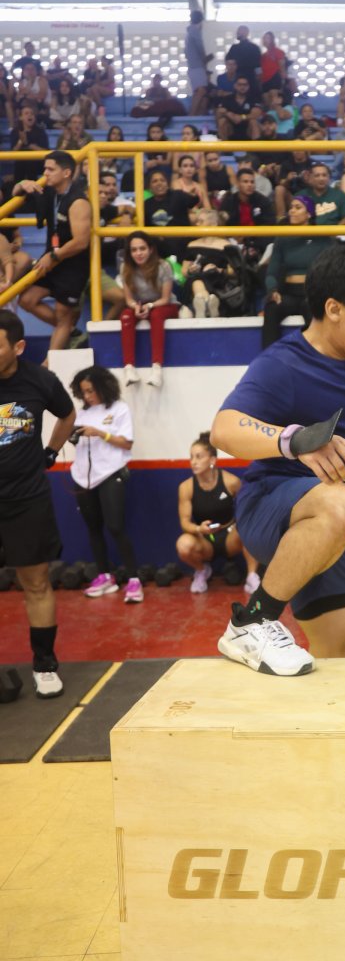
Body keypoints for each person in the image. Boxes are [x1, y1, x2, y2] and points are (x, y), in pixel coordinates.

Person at [209, 244, 345, 677]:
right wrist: (297, 441)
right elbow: (222, 430)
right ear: (334, 309)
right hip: (270, 506)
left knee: (333, 658)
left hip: (328, 522)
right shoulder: (282, 364)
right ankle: (251, 622)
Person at [0, 309, 76, 697]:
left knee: (36, 582)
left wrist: (50, 452)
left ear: (18, 347)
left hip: (26, 500)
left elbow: (67, 414)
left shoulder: (40, 381)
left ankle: (44, 664)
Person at [69, 365, 142, 604]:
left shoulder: (119, 409)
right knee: (93, 528)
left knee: (115, 526)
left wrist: (101, 433)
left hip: (110, 474)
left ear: (103, 387)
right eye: (83, 392)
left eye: (91, 390)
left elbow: (127, 443)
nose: (88, 396)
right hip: (84, 476)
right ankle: (105, 576)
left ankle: (134, 579)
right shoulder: (82, 413)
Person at [16, 150, 91, 352]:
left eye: (50, 169)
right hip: (52, 258)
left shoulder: (79, 202)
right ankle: (70, 330)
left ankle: (49, 363)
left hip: (72, 265)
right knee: (26, 300)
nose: (45, 173)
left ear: (66, 173)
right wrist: (22, 184)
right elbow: (14, 192)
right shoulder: (50, 191)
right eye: (45, 169)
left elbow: (81, 242)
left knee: (63, 315)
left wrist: (54, 256)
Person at [176, 431, 259, 596]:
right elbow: (184, 523)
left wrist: (239, 524)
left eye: (199, 457)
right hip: (205, 539)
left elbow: (248, 510)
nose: (193, 462)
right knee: (183, 545)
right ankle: (202, 571)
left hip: (230, 537)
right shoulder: (186, 488)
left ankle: (252, 576)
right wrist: (199, 529)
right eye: (191, 457)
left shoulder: (231, 482)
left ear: (212, 460)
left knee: (249, 527)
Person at [261, 194, 335, 349]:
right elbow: (271, 271)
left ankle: (318, 356)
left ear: (309, 214)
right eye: (291, 207)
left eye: (298, 207)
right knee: (272, 307)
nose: (292, 211)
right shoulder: (283, 238)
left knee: (312, 309)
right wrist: (272, 290)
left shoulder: (322, 237)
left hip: (312, 292)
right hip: (290, 292)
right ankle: (268, 356)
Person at [119, 232, 179, 387]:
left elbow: (165, 298)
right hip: (141, 305)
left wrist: (150, 306)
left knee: (156, 315)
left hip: (164, 305)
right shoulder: (125, 267)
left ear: (151, 249)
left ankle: (157, 368)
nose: (138, 253)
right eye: (134, 250)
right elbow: (129, 300)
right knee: (126, 316)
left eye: (142, 249)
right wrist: (136, 307)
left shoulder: (164, 266)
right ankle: (129, 368)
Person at [185, 9, 213, 114]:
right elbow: (200, 47)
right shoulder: (194, 30)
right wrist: (205, 58)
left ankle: (196, 115)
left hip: (193, 65)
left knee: (200, 92)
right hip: (197, 66)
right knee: (200, 91)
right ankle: (192, 115)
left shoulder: (189, 32)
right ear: (201, 20)